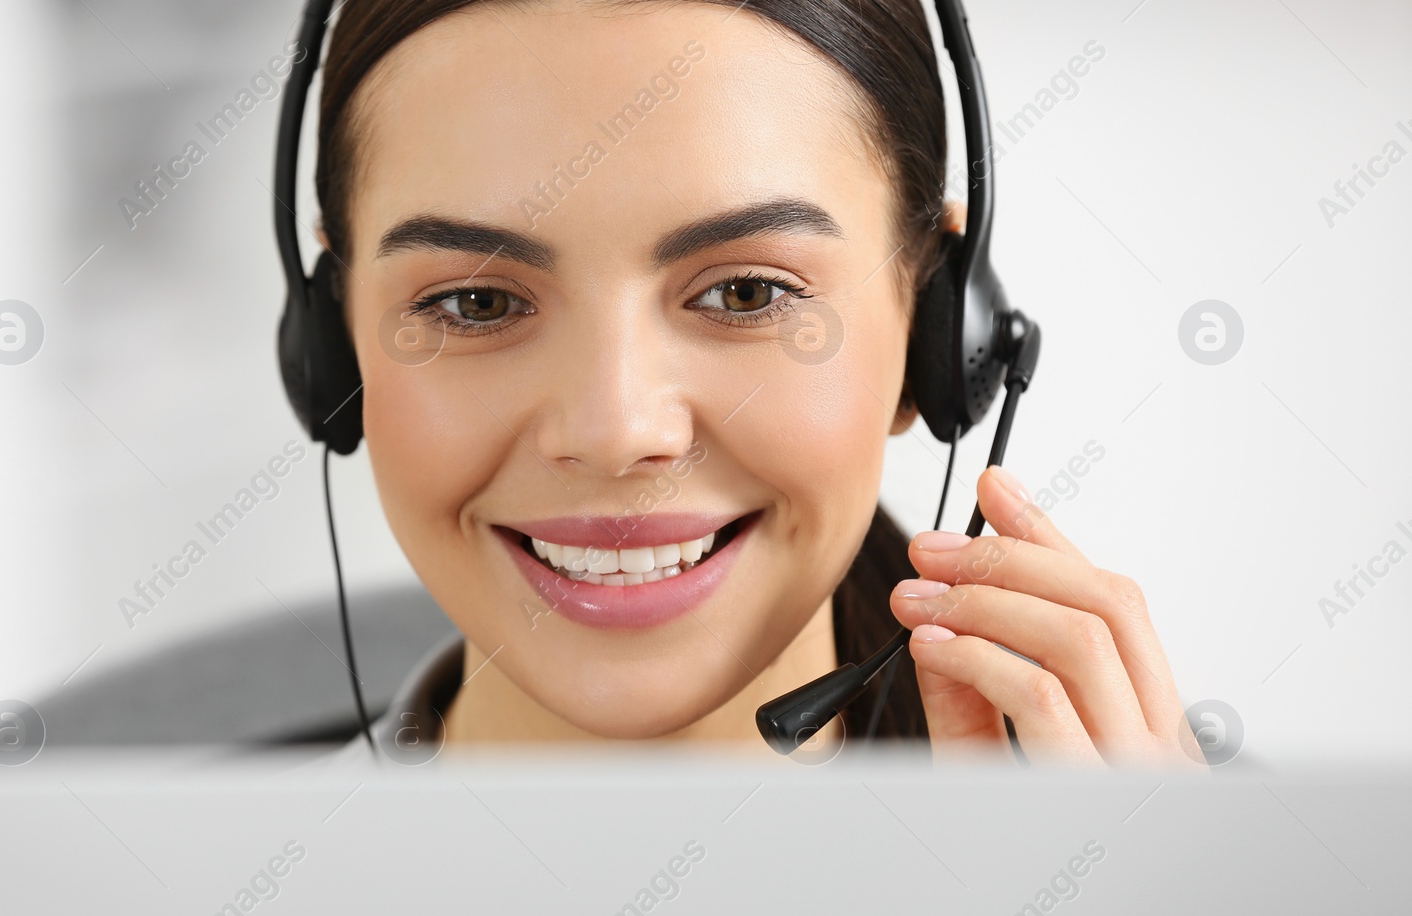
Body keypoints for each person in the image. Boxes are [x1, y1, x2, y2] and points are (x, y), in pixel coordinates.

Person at [310, 0, 1204, 769]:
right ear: (332, 342)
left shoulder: (1215, 903)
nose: (620, 430)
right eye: (476, 301)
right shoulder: (185, 912)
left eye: (746, 293)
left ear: (933, 332)